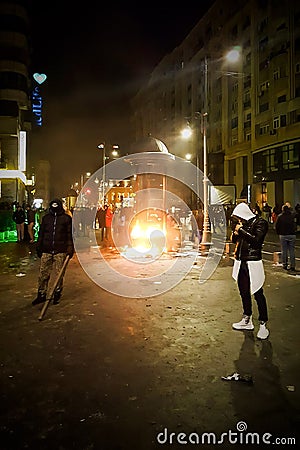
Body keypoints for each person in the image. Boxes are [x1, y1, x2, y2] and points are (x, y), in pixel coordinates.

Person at [231, 202, 269, 340]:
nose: (238, 219)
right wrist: (236, 233)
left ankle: (263, 324)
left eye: (239, 216)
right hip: (241, 262)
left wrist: (241, 230)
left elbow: (256, 241)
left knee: (258, 292)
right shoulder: (243, 225)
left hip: (253, 262)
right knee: (244, 292)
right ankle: (247, 319)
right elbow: (235, 241)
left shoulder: (260, 223)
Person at [32, 198, 74, 306]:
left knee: (59, 274)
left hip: (60, 250)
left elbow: (70, 235)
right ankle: (41, 294)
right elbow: (41, 234)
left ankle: (57, 293)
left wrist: (70, 247)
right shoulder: (46, 219)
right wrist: (39, 246)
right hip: (47, 250)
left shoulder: (66, 219)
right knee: (43, 273)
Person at [275, 204, 296, 272]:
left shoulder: (280, 216)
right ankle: (293, 265)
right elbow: (295, 224)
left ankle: (285, 264)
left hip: (283, 234)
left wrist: (278, 233)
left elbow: (277, 226)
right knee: (292, 251)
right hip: (292, 234)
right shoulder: (292, 216)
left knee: (284, 250)